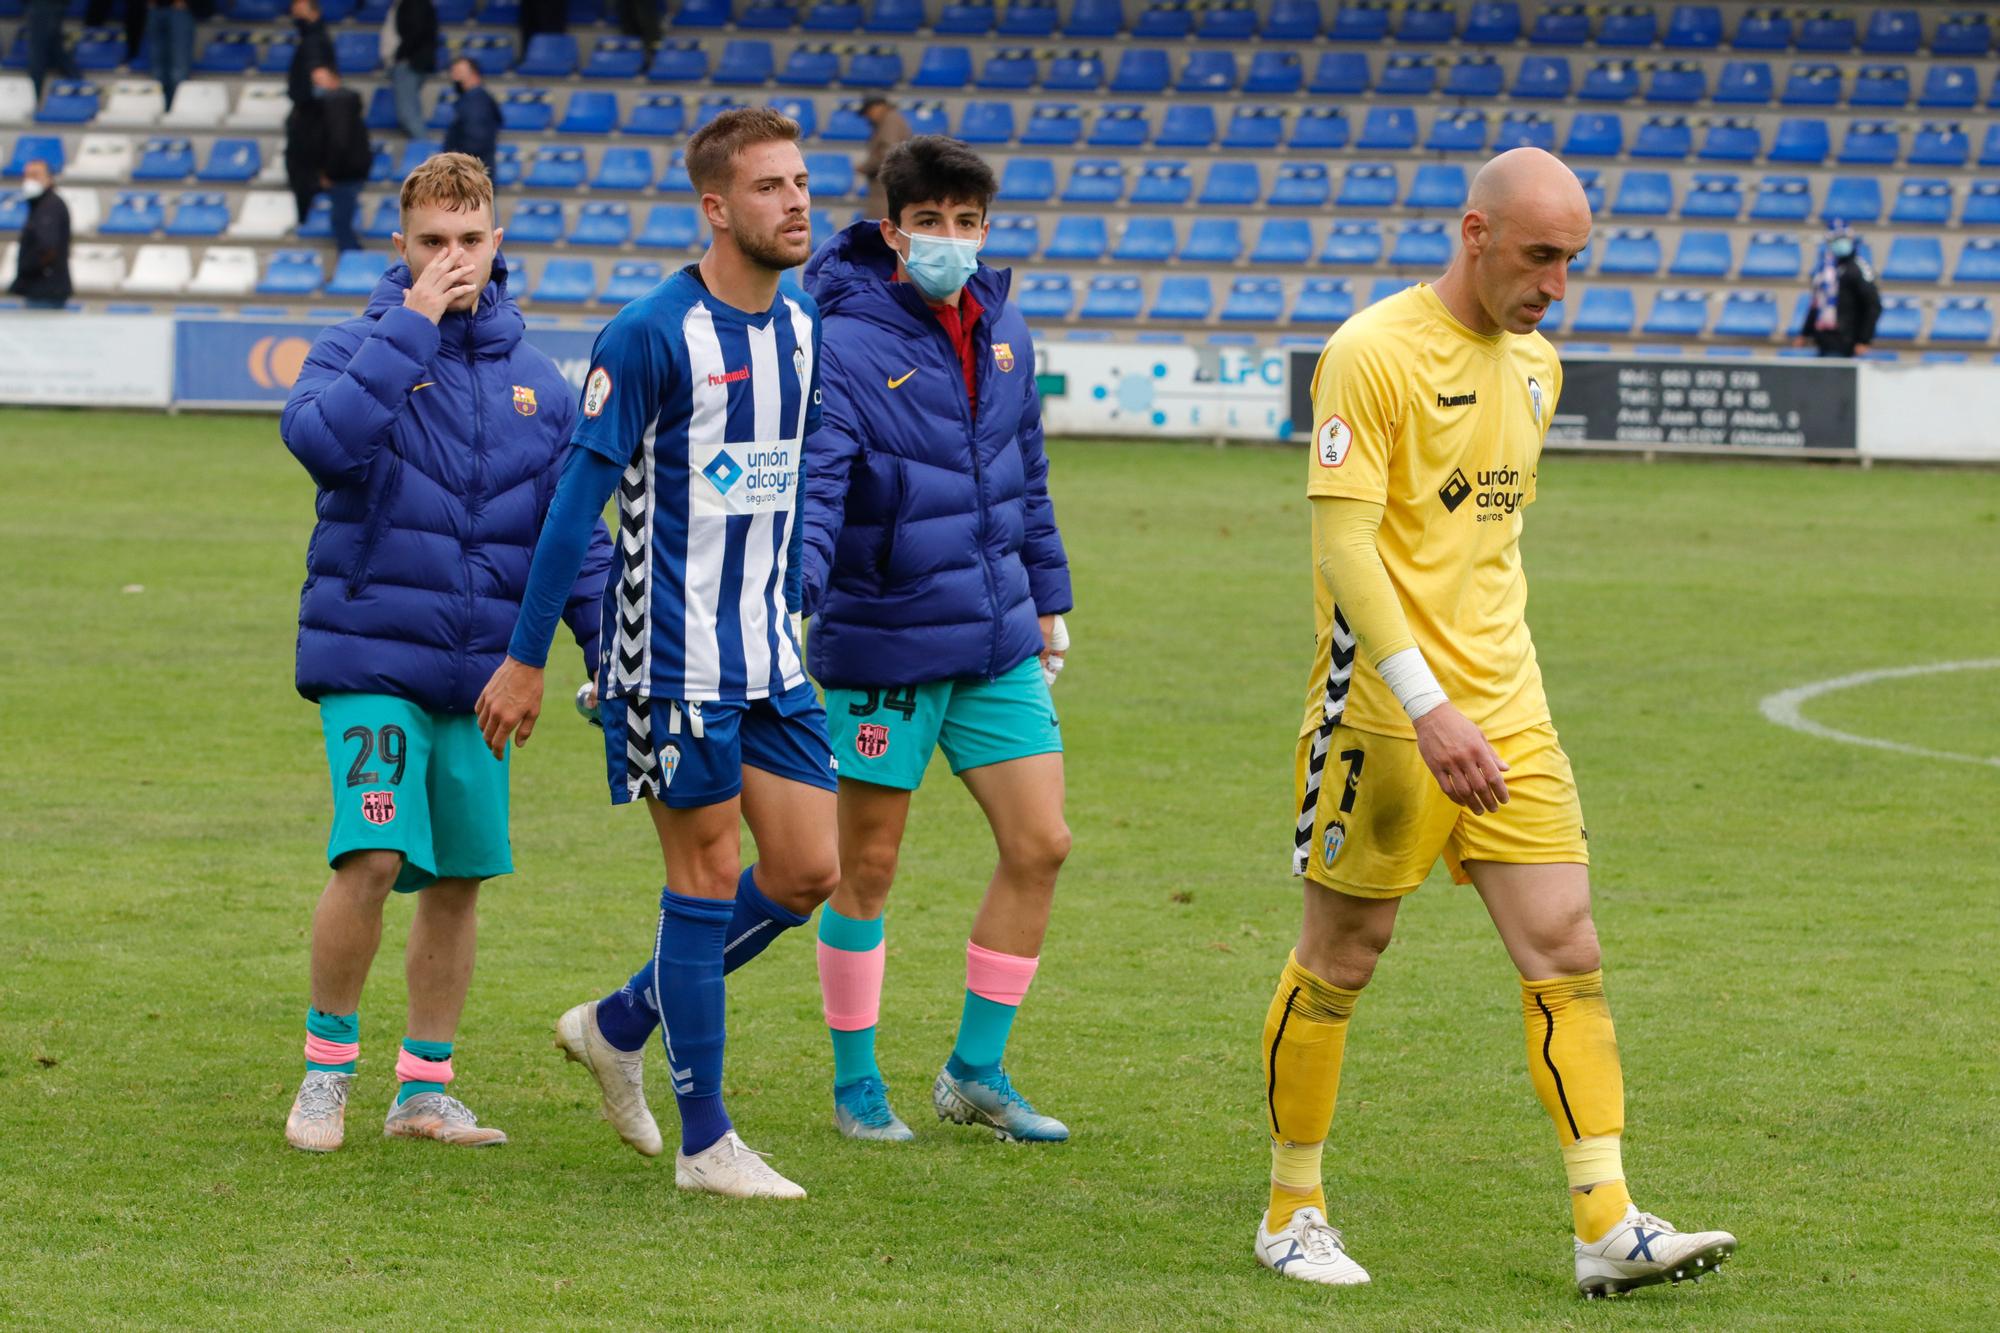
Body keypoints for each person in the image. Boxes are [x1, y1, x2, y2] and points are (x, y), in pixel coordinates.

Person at [1257, 147, 1736, 1298]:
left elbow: (1483, 548)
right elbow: (1343, 548)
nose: (1554, 286)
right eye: (1537, 258)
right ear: (1472, 233)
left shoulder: (1536, 364)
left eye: (1571, 262)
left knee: (1564, 949)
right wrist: (1426, 707)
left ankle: (1604, 1219)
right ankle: (1290, 1210)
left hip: (1509, 706)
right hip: (1384, 711)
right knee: (1342, 956)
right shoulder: (1370, 354)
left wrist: (1485, 698)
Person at [477, 108, 837, 1200]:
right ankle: (705, 1141)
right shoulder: (647, 334)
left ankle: (621, 1020)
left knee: (808, 870)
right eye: (770, 186)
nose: (796, 202)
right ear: (716, 208)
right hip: (667, 658)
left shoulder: (803, 328)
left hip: (770, 657)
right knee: (705, 875)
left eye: (802, 182)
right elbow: (570, 507)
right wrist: (527, 655)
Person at [279, 152, 611, 1154]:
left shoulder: (539, 385)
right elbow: (325, 444)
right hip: (368, 656)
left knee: (458, 878)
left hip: (479, 676)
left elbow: (573, 533)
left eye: (469, 241)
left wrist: (600, 650)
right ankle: (325, 1073)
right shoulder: (354, 346)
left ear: (497, 244)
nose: (452, 259)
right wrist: (411, 324)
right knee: (373, 855)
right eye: (432, 242)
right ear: (402, 246)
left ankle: (423, 1088)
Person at [797, 136, 1074, 1145]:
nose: (951, 240)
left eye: (967, 223)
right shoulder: (843, 340)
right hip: (882, 641)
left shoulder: (1006, 330)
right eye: (931, 223)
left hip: (995, 633)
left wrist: (1049, 597)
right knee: (866, 865)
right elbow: (818, 489)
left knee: (1039, 843)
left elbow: (1024, 474)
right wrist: (797, 596)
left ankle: (974, 1070)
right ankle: (854, 1079)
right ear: (893, 231)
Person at [307, 66, 372, 253]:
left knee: (341, 222)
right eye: (315, 81)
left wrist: (329, 173)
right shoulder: (344, 104)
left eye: (321, 80)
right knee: (342, 221)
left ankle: (354, 263)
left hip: (344, 173)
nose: (317, 85)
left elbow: (338, 142)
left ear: (335, 79)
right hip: (350, 170)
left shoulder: (336, 105)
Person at [285, 0, 338, 227]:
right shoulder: (313, 37)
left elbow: (323, 80)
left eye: (299, 12)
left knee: (303, 171)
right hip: (309, 114)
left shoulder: (314, 40)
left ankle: (306, 220)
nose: (295, 15)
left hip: (310, 115)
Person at [1794, 220, 1881, 358]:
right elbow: (1816, 304)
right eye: (1836, 239)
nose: (1840, 243)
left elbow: (1873, 305)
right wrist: (1804, 333)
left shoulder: (1858, 268)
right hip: (1823, 340)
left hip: (1846, 341)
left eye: (1843, 239)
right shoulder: (1825, 270)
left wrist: (1864, 339)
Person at [9, 159, 71, 310]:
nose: (29, 180)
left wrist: (29, 269)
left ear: (49, 179)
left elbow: (48, 246)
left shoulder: (50, 206)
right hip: (38, 288)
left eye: (35, 175)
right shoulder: (39, 204)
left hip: (45, 289)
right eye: (27, 175)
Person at [388, 0, 439, 141]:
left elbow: (416, 31)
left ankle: (428, 155)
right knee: (408, 113)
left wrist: (400, 55)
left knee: (408, 113)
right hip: (412, 62)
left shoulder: (415, 3)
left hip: (411, 63)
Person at [442, 57, 500, 179]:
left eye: (459, 74)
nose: (455, 78)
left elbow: (476, 138)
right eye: (454, 73)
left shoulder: (477, 101)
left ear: (474, 75)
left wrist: (458, 162)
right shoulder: (470, 99)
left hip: (471, 173)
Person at [856, 96, 911, 221]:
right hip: (886, 187)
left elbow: (888, 154)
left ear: (878, 107)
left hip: (887, 188)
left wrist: (865, 167)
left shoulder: (890, 121)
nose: (867, 116)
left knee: (883, 228)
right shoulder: (890, 119)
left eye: (868, 111)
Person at [143, 0, 196, 111]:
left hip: (180, 10)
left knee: (179, 70)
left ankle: (178, 110)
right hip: (156, 9)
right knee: (157, 70)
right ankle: (159, 109)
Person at [25, 0, 79, 100]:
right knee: (55, 49)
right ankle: (82, 87)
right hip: (48, 5)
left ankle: (33, 100)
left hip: (43, 5)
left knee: (38, 54)